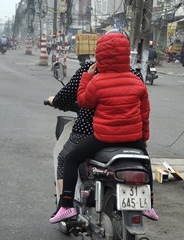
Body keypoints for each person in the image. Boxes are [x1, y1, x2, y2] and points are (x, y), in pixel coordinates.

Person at [50, 32, 158, 224]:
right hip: (133, 138)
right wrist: (144, 138)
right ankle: (149, 205)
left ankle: (66, 205)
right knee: (146, 163)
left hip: (103, 137)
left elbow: (84, 102)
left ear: (100, 55)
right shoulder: (136, 80)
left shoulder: (97, 81)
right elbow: (144, 114)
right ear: (126, 55)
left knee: (69, 159)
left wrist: (86, 78)